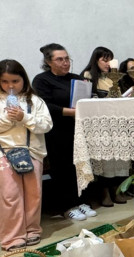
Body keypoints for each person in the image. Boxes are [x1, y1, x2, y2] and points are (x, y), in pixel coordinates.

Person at [0, 60, 53, 251]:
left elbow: (46, 125)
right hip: (4, 152)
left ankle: (32, 230)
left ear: (24, 80)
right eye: (5, 82)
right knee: (10, 195)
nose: (10, 86)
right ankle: (12, 237)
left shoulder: (35, 101)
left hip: (32, 151)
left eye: (15, 81)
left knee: (34, 193)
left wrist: (24, 117)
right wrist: (6, 118)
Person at [32, 43, 97, 220]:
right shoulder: (41, 80)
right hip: (56, 131)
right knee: (62, 169)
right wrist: (70, 112)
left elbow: (86, 99)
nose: (65, 62)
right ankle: (66, 206)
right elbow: (44, 105)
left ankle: (82, 201)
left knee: (79, 166)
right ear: (48, 61)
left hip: (76, 129)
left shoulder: (76, 78)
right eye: (60, 59)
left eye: (67, 58)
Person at [81, 46, 130, 205]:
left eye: (110, 59)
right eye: (104, 59)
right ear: (96, 60)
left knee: (118, 159)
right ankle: (104, 193)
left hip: (116, 123)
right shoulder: (88, 75)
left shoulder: (114, 77)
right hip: (99, 125)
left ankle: (117, 190)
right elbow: (86, 99)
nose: (108, 63)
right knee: (104, 160)